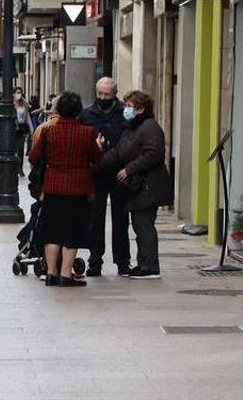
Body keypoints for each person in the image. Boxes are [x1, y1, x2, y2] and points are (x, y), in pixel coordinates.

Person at [28, 92, 102, 287]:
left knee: (52, 230)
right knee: (73, 230)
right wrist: (99, 146)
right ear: (79, 111)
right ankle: (65, 274)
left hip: (52, 187)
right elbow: (97, 159)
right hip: (78, 189)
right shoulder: (88, 133)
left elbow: (33, 158)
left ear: (58, 110)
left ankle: (51, 273)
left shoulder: (47, 132)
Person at [97, 90, 172, 280]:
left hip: (149, 185)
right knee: (139, 225)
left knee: (144, 225)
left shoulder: (149, 127)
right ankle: (143, 263)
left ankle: (150, 266)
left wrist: (130, 169)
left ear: (140, 108)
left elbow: (154, 153)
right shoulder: (132, 128)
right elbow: (118, 153)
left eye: (130, 106)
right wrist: (95, 164)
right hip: (139, 187)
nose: (126, 109)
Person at [79, 77, 131, 277]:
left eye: (107, 94)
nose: (102, 97)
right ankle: (95, 260)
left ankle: (123, 261)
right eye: (99, 93)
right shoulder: (86, 115)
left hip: (119, 173)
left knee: (120, 219)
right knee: (95, 219)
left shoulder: (124, 113)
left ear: (114, 94)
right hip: (96, 174)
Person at [14, 87, 31, 175]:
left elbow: (28, 117)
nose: (19, 94)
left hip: (21, 128)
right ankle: (14, 168)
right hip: (12, 129)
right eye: (17, 92)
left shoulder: (24, 104)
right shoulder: (11, 103)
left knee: (20, 149)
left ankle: (20, 169)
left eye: (20, 92)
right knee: (13, 150)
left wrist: (32, 130)